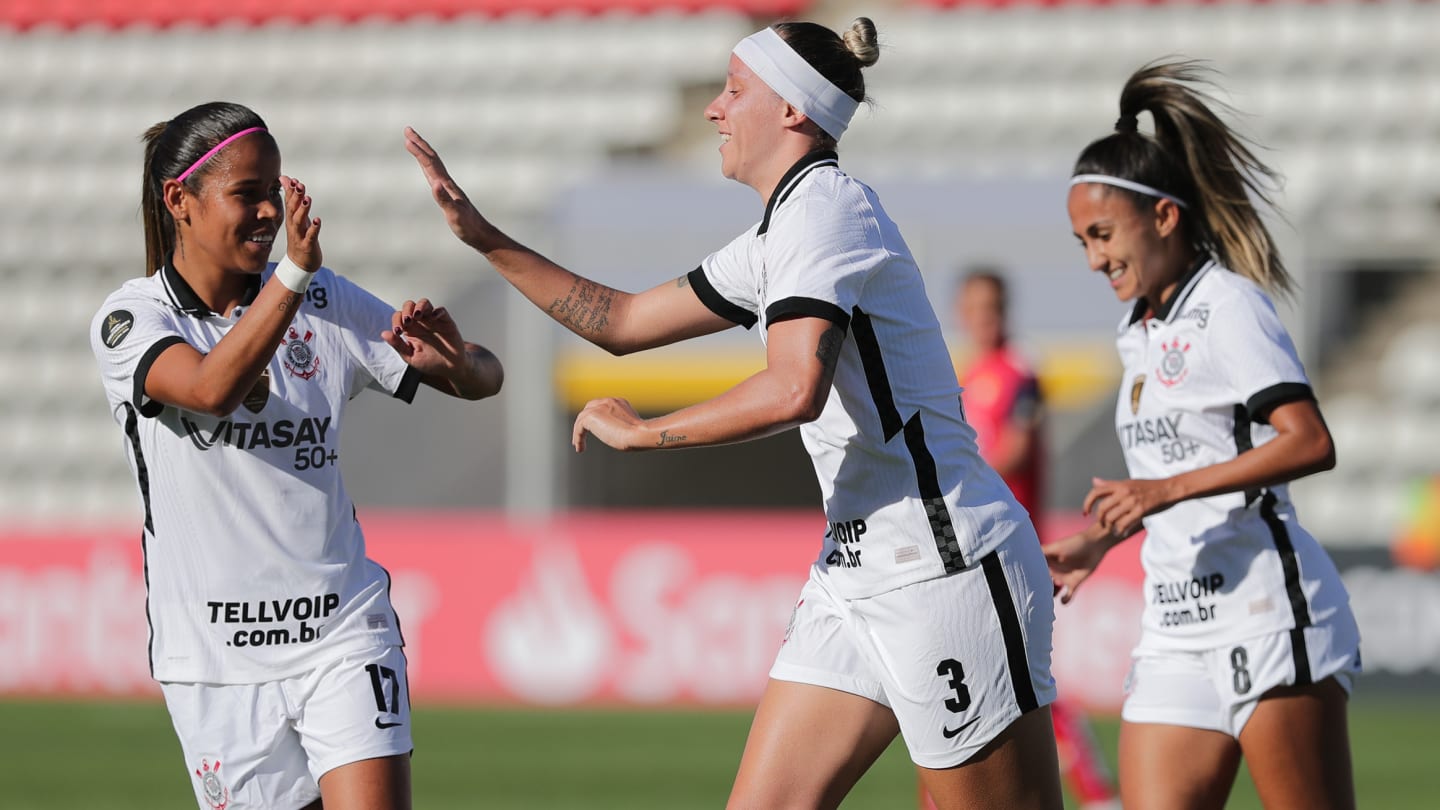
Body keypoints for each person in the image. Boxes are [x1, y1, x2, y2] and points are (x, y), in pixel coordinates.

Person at [406, 17, 1063, 810]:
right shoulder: (782, 227)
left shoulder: (826, 212)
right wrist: (483, 237)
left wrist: (647, 433)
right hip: (855, 575)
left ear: (792, 110)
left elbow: (794, 390)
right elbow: (617, 322)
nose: (716, 109)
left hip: (942, 568)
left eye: (734, 89)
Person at [90, 101, 503, 810]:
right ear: (178, 200)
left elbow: (484, 378)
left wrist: (457, 360)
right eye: (245, 194)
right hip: (216, 663)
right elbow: (211, 389)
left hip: (340, 633)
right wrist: (292, 279)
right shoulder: (132, 320)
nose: (267, 214)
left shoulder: (322, 298)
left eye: (272, 193)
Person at [1047, 60, 1361, 809]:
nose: (1094, 258)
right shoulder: (1138, 332)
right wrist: (1105, 538)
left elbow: (1309, 440)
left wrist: (1162, 490)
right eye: (1081, 242)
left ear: (1164, 217)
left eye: (1102, 234)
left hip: (1266, 613)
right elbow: (1183, 467)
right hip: (1175, 629)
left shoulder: (1228, 306)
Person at [926, 271, 1119, 810]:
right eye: (974, 305)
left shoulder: (1021, 371)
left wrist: (947, 482)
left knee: (1021, 679)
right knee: (963, 678)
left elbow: (1014, 447)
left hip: (1007, 546)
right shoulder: (963, 375)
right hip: (965, 547)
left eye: (992, 305)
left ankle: (1099, 793)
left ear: (1005, 309)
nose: (984, 315)